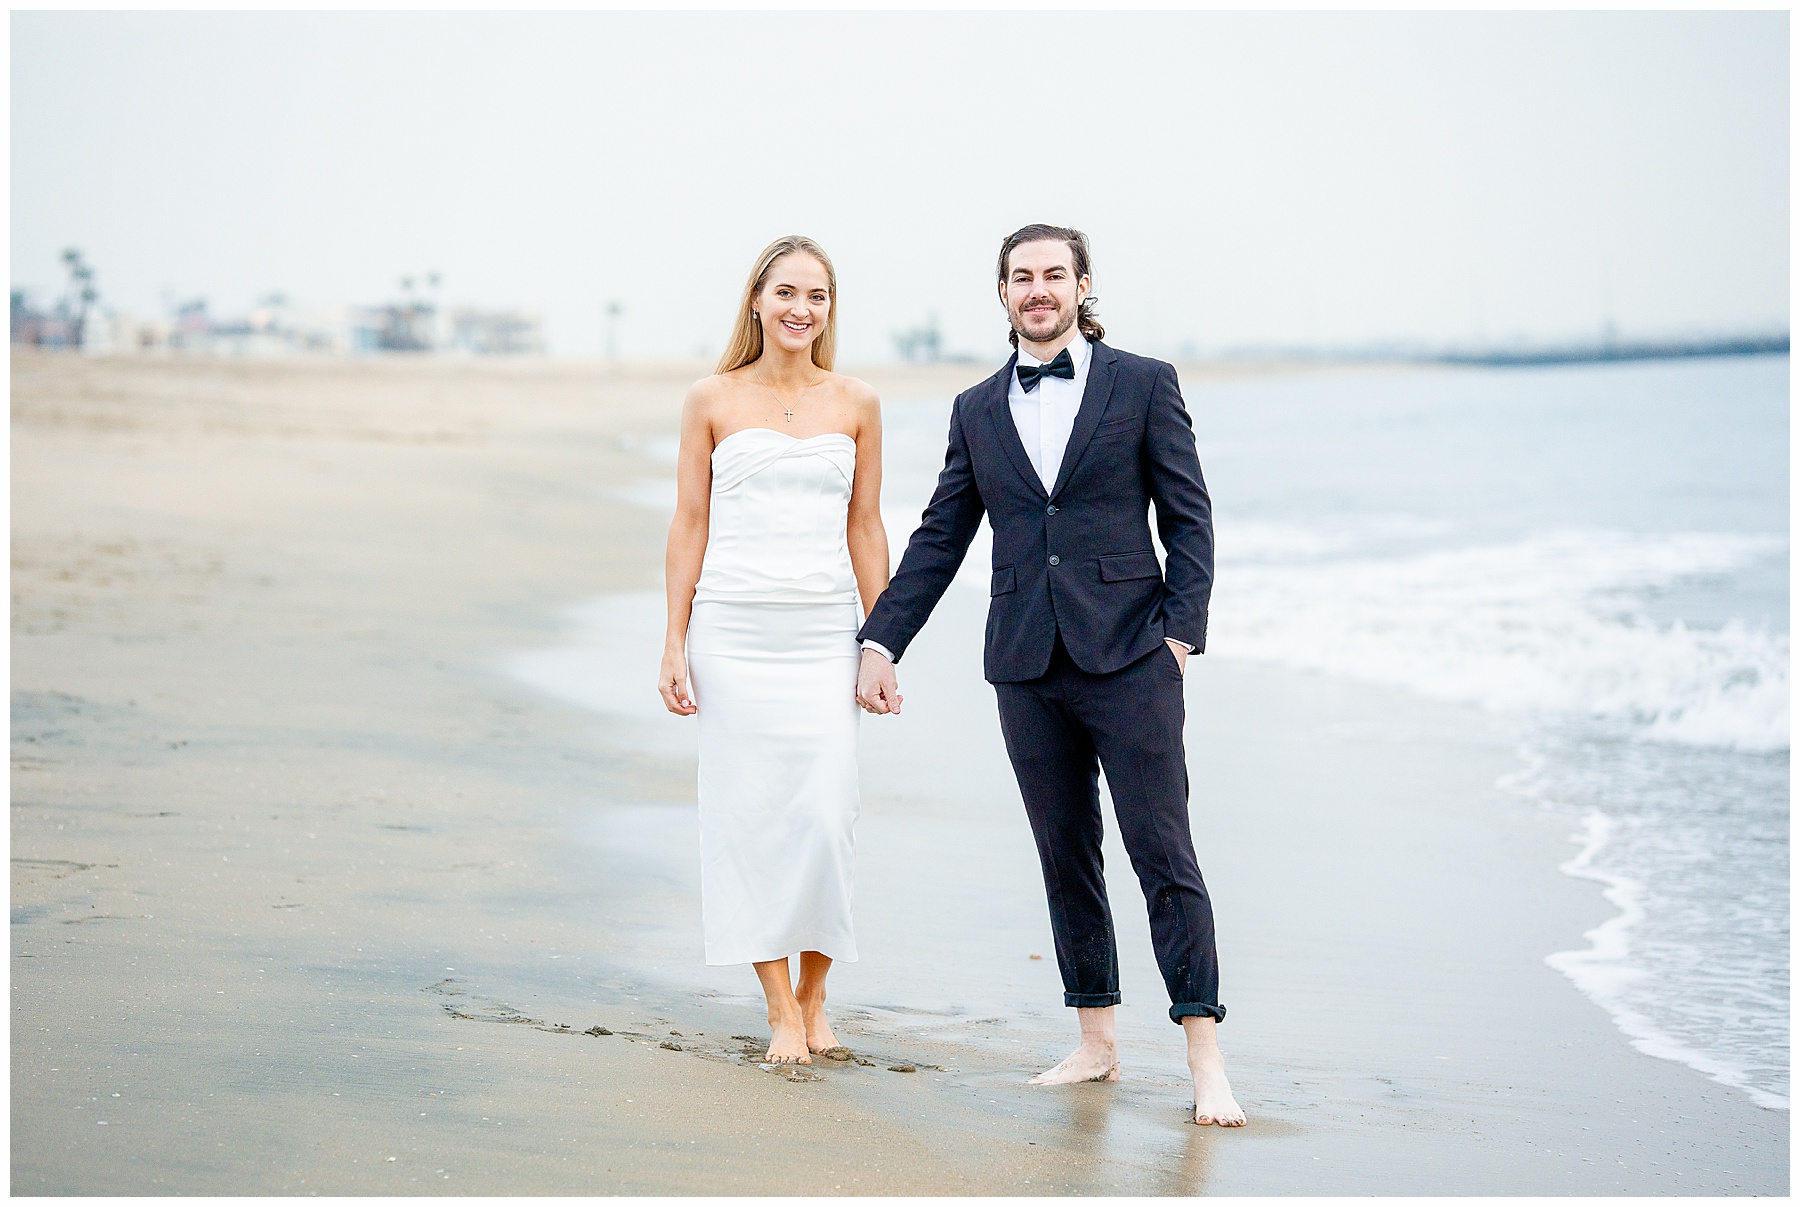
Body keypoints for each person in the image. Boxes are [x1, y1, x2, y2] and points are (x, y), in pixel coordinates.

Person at [855, 224, 1245, 1126]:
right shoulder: (976, 408)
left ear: (1082, 285)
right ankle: (1096, 1041)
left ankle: (1205, 1054)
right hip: (1026, 664)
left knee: (1163, 853)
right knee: (1064, 853)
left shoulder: (1143, 382)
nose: (1039, 289)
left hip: (1133, 656)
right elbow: (941, 536)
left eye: (1054, 274)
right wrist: (881, 641)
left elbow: (1190, 517)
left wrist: (1179, 635)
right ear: (1002, 292)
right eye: (1022, 276)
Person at [658, 235, 890, 1065]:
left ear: (830, 308)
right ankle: (780, 1006)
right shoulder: (711, 398)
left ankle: (817, 990)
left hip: (825, 632)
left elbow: (866, 527)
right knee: (749, 815)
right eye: (786, 292)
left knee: (828, 815)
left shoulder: (857, 401)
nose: (801, 308)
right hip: (733, 632)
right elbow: (690, 522)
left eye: (816, 295)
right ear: (756, 299)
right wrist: (675, 639)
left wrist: (881, 641)